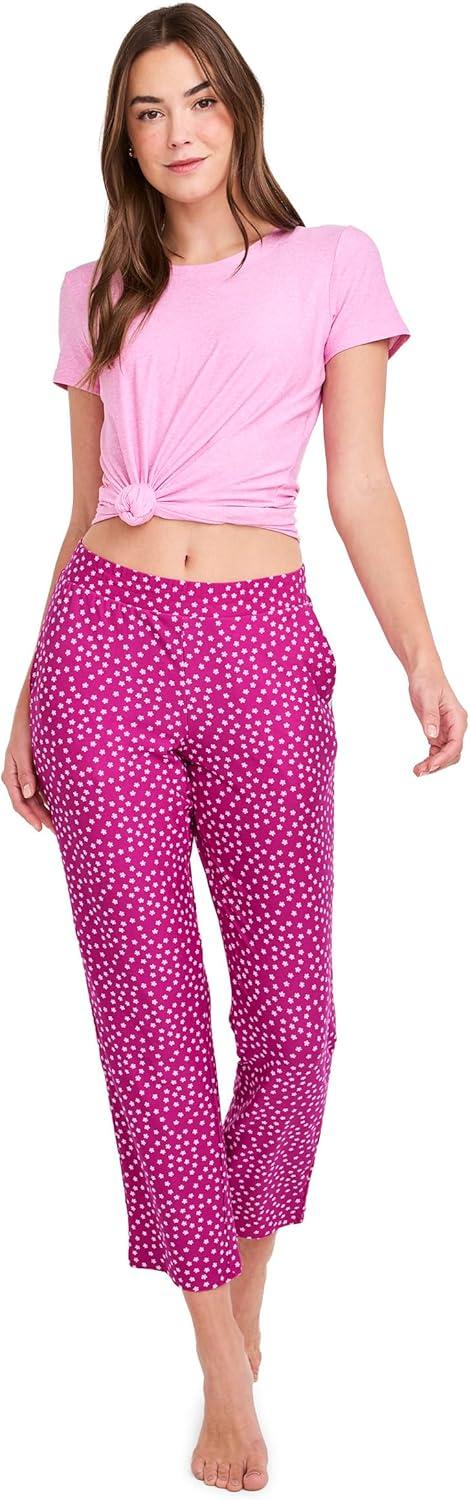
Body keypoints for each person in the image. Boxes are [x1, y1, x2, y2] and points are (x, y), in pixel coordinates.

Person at [2, 5, 467, 1492]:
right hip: (106, 649)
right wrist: (30, 688)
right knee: (148, 1015)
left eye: (198, 100)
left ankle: (242, 1283)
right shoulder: (94, 290)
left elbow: (360, 483)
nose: (178, 131)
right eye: (148, 110)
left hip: (264, 649)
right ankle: (217, 1356)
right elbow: (82, 509)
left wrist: (419, 654)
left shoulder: (332, 262)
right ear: (123, 138)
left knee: (291, 1015)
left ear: (239, 110)